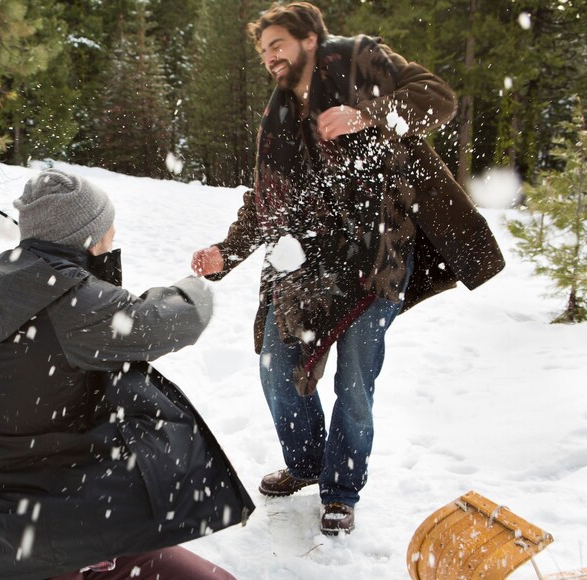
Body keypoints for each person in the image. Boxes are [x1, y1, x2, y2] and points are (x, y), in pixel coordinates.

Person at [190, 2, 505, 536]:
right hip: (305, 260)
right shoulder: (280, 114)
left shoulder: (359, 60)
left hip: (376, 253)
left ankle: (341, 488)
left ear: (309, 39)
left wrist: (369, 114)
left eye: (277, 45)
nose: (269, 58)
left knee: (355, 380)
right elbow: (270, 197)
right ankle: (307, 463)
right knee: (276, 366)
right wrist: (228, 252)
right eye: (263, 50)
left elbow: (438, 98)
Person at [0, 169, 255, 580]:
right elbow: (168, 321)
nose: (114, 231)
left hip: (15, 513)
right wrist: (198, 286)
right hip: (29, 535)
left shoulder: (19, 276)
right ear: (83, 235)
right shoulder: (65, 300)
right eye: (106, 225)